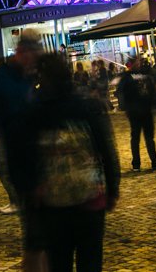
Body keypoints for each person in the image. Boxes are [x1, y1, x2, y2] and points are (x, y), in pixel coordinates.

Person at [22, 54, 120, 272]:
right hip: (90, 198)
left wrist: (32, 191)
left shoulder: (38, 111)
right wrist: (112, 188)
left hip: (54, 204)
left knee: (59, 261)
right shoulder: (86, 105)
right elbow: (105, 148)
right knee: (90, 260)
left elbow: (29, 155)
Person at [0, 32, 45, 270]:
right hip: (24, 164)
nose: (35, 61)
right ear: (22, 52)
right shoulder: (5, 81)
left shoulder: (22, 77)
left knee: (42, 234)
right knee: (35, 234)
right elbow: (17, 123)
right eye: (34, 55)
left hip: (33, 161)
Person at [114, 57, 156, 171]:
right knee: (136, 138)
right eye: (137, 62)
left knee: (148, 137)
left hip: (145, 110)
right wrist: (125, 107)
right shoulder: (128, 77)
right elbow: (120, 92)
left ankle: (154, 162)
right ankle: (137, 164)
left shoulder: (141, 75)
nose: (139, 64)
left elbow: (152, 89)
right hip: (135, 110)